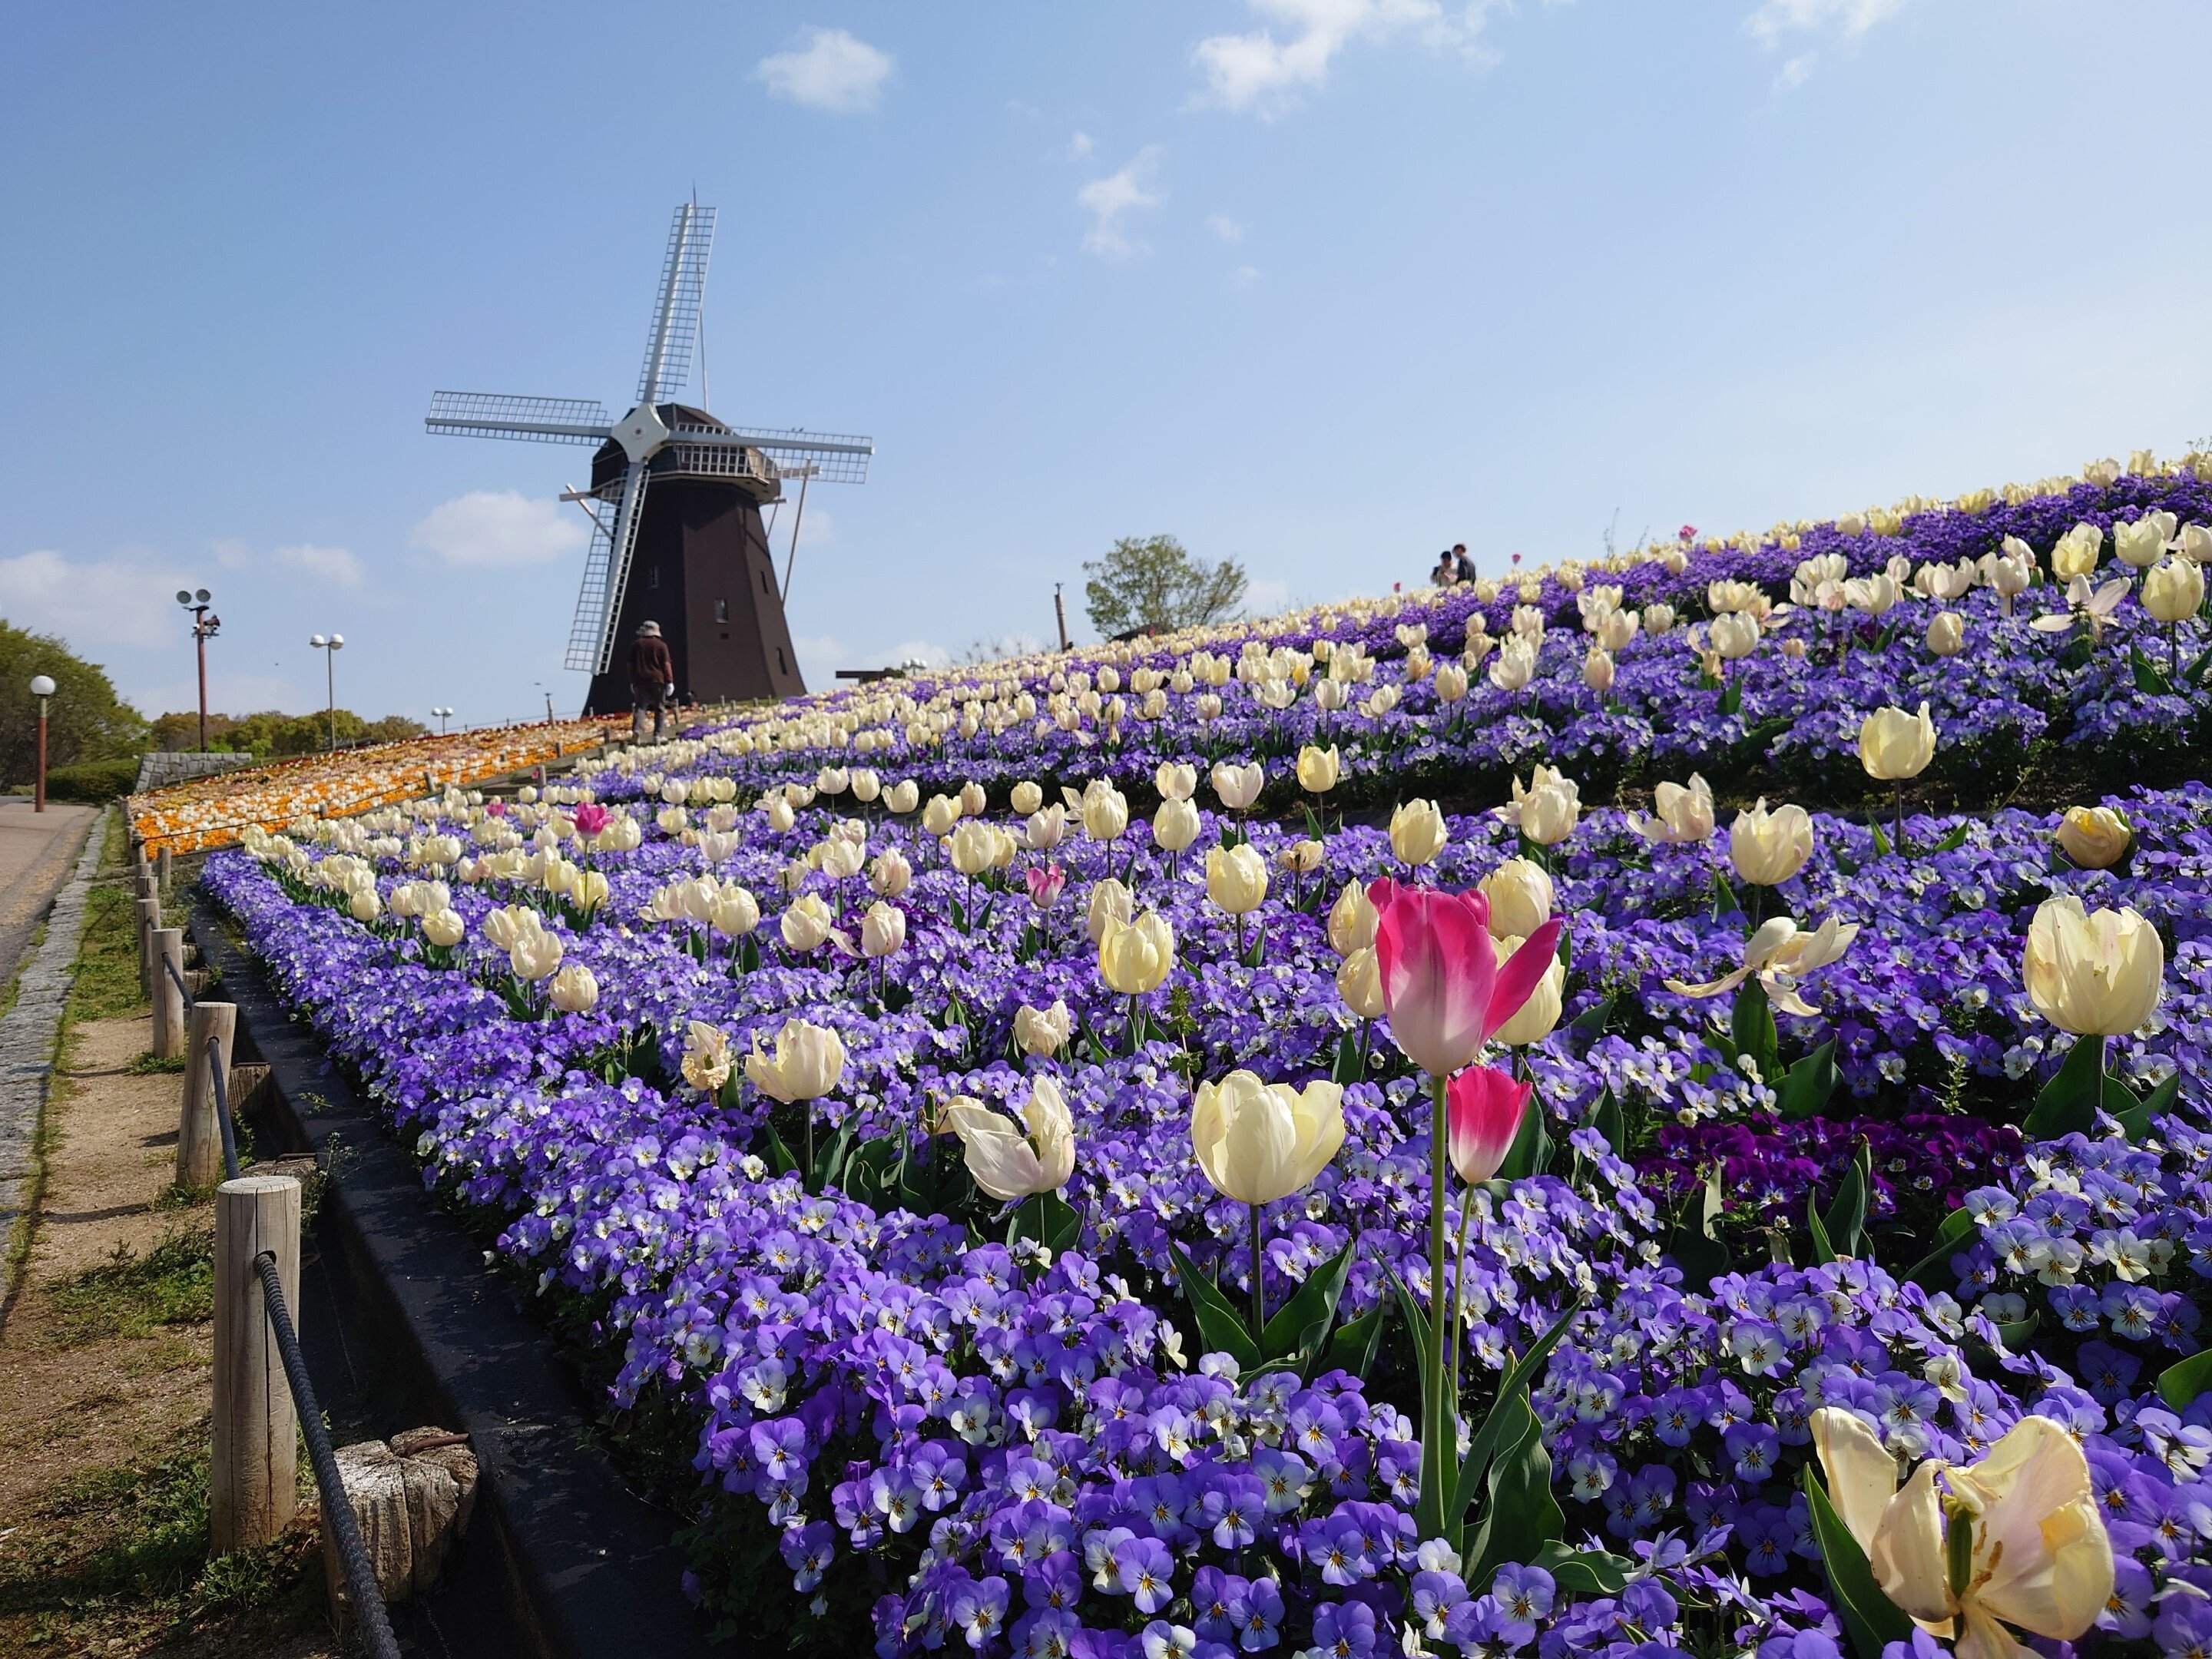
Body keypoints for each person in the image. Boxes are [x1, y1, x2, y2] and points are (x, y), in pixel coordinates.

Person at [629, 620, 674, 742]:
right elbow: (666, 665)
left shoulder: (636, 645)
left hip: (640, 680)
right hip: (657, 680)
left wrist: (633, 681)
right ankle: (658, 735)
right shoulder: (661, 645)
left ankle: (637, 730)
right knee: (659, 707)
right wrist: (669, 681)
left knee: (640, 708)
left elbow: (631, 665)